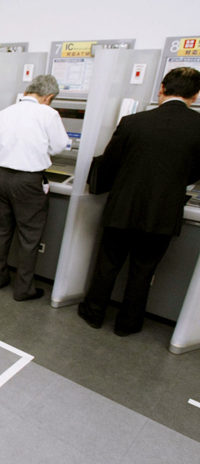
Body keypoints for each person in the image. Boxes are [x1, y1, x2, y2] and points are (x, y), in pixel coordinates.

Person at [78, 67, 200, 335]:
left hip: (123, 207)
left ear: (161, 88)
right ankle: (128, 324)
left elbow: (110, 162)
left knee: (107, 264)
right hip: (163, 212)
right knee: (143, 271)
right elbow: (195, 172)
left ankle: (94, 313)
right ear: (196, 94)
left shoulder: (133, 122)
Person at [0, 75, 69, 301]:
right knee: (29, 237)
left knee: (1, 230)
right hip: (28, 181)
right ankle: (23, 289)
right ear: (48, 97)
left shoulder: (4, 112)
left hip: (0, 176)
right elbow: (61, 145)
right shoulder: (48, 113)